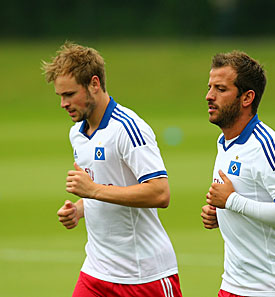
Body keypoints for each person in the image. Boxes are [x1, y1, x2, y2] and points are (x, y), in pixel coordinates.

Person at [43, 42, 182, 297]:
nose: (63, 103)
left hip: (144, 275)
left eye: (69, 94)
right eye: (60, 96)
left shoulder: (128, 128)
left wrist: (92, 191)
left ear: (94, 84)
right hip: (96, 273)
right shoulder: (77, 133)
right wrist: (79, 209)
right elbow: (106, 189)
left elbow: (160, 194)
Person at [200, 51, 275, 297]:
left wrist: (231, 201)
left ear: (247, 97)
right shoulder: (225, 142)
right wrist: (220, 213)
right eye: (210, 87)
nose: (209, 96)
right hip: (234, 286)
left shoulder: (267, 146)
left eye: (221, 89)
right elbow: (248, 197)